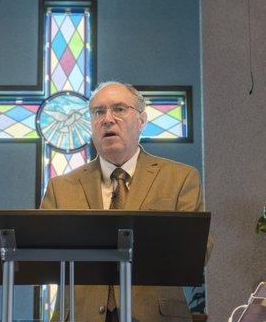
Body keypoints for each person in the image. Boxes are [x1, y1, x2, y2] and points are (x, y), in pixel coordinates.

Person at [41, 81, 208, 322]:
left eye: (119, 109)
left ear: (141, 120)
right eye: (98, 112)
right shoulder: (61, 187)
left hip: (155, 315)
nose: (107, 119)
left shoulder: (180, 178)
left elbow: (198, 250)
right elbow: (40, 257)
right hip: (80, 315)